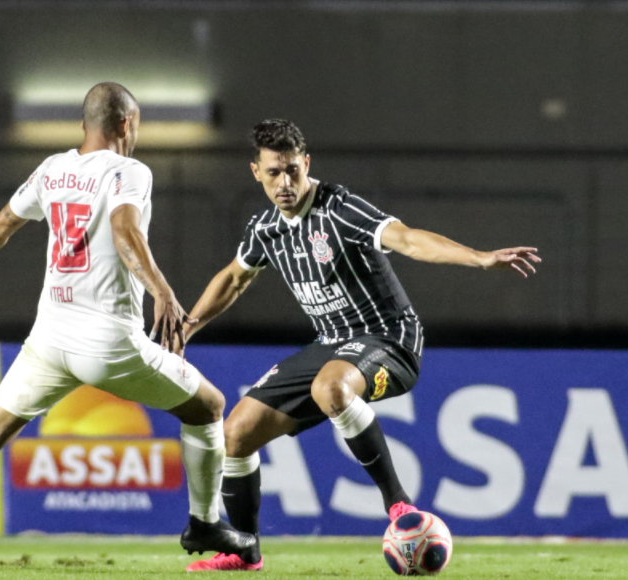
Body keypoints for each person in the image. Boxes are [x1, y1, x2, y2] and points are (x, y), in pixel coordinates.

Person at [0, 83, 256, 570]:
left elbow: (2, 222)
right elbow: (125, 231)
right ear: (126, 123)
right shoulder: (129, 171)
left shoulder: (53, 169)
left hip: (49, 337)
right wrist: (163, 291)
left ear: (85, 124)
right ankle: (204, 522)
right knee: (209, 406)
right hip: (108, 342)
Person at [182, 119, 540, 572]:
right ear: (257, 172)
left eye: (293, 169)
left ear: (306, 163)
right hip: (331, 344)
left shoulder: (339, 208)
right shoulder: (266, 228)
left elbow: (407, 239)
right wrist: (188, 326)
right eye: (274, 173)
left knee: (331, 388)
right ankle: (245, 549)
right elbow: (234, 277)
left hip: (387, 337)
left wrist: (479, 257)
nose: (285, 182)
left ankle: (399, 506)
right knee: (235, 435)